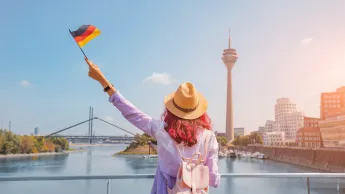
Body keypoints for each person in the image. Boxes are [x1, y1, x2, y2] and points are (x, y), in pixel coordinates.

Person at [85, 57, 220, 193]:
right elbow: (213, 178)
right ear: (199, 111)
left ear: (172, 108)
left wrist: (103, 80)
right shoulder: (209, 138)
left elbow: (132, 113)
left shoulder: (161, 130)